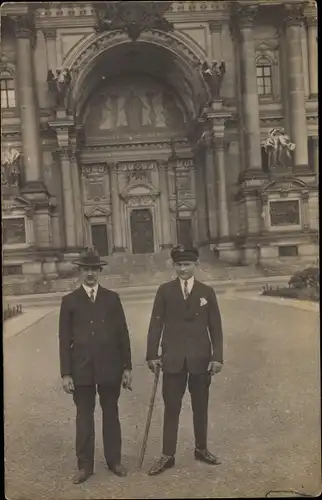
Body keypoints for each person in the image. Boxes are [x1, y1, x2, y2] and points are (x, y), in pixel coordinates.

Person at [146, 244, 223, 475]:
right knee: (171, 408)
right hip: (172, 360)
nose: (182, 269)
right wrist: (152, 355)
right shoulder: (165, 290)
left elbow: (215, 327)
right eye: (178, 265)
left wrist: (217, 357)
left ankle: (201, 449)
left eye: (187, 264)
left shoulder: (206, 292)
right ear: (174, 265)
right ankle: (167, 455)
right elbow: (155, 324)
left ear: (195, 265)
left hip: (201, 359)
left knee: (201, 407)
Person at [58, 247, 132, 484]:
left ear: (99, 271)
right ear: (80, 271)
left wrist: (127, 367)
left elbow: (123, 335)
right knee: (84, 416)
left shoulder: (112, 298)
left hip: (110, 367)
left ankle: (114, 461)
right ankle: (85, 465)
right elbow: (64, 339)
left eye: (93, 269)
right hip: (81, 370)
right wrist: (66, 373)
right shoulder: (69, 301)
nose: (90, 274)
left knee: (111, 414)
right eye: (85, 269)